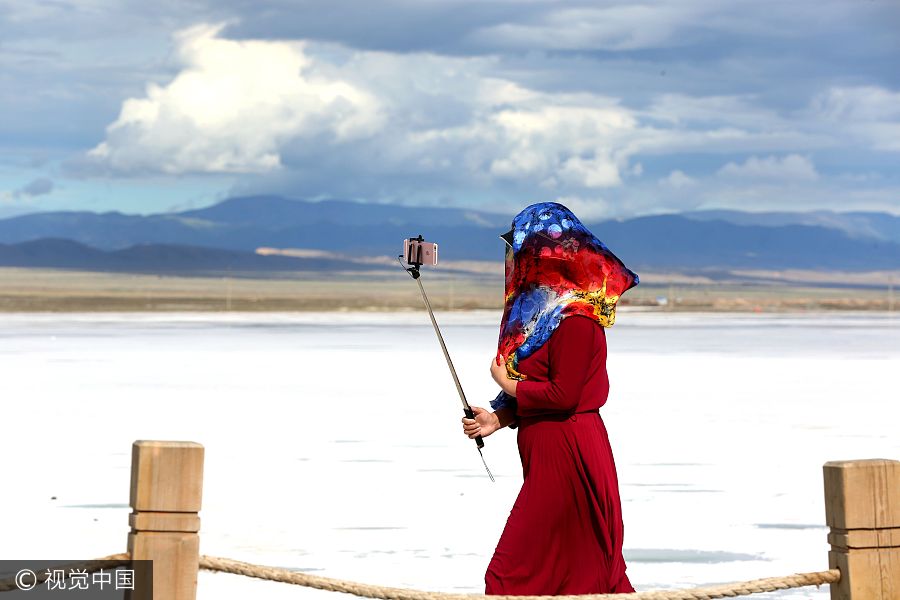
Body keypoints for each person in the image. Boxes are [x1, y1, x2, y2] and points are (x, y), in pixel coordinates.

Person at [461, 201, 639, 594]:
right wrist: (499, 417)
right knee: (567, 571)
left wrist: (507, 384)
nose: (515, 259)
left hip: (570, 455)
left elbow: (563, 395)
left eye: (522, 249)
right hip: (547, 452)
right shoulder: (542, 319)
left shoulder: (576, 321)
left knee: (511, 574)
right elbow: (539, 387)